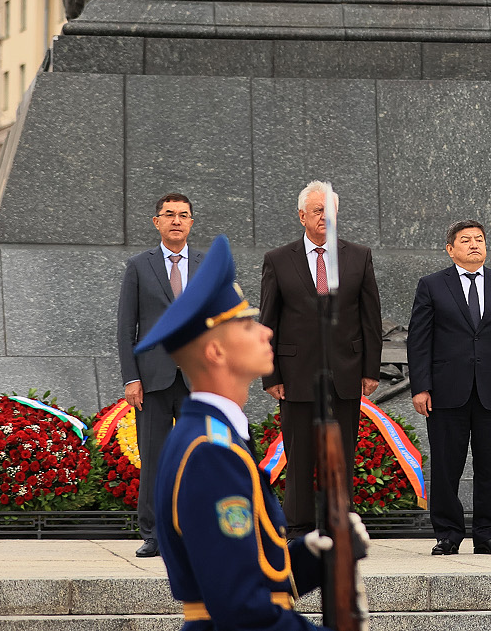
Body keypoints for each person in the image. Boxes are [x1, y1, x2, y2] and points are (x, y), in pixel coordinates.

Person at [136, 234, 370, 630]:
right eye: (247, 325)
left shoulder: (214, 437)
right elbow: (241, 608)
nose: (266, 333)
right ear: (216, 352)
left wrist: (313, 557)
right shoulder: (211, 452)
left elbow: (248, 572)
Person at [259, 182, 383, 534]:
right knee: (299, 456)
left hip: (346, 372)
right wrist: (271, 374)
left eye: (330, 211)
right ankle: (298, 528)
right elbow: (267, 321)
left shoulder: (358, 256)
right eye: (317, 211)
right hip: (296, 374)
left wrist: (370, 370)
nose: (324, 217)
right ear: (302, 216)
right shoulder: (278, 259)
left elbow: (370, 318)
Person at [406, 220, 491, 555]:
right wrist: (421, 387)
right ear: (451, 250)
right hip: (447, 390)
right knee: (446, 465)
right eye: (465, 240)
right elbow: (419, 339)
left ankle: (487, 534)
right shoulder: (432, 285)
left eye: (479, 239)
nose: (474, 244)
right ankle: (448, 534)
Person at [115, 192, 201, 557]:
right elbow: (126, 329)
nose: (176, 220)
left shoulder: (206, 265)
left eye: (183, 215)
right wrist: (131, 378)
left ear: (191, 222)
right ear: (157, 222)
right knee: (154, 459)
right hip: (152, 379)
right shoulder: (139, 266)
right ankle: (153, 534)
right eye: (169, 214)